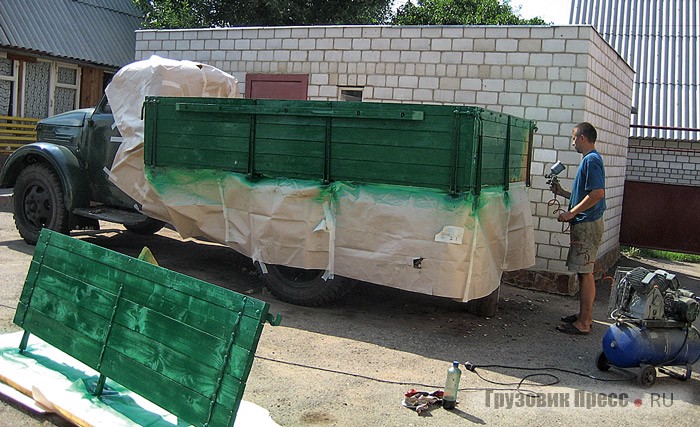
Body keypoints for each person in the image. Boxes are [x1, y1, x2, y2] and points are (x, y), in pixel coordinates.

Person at [550, 122, 606, 335]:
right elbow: (585, 194)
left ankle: (583, 323)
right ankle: (585, 316)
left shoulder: (592, 160)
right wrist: (563, 192)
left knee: (585, 273)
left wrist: (572, 213)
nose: (572, 142)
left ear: (582, 137)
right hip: (586, 222)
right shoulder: (589, 161)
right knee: (584, 272)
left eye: (573, 138)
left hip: (587, 224)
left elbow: (597, 194)